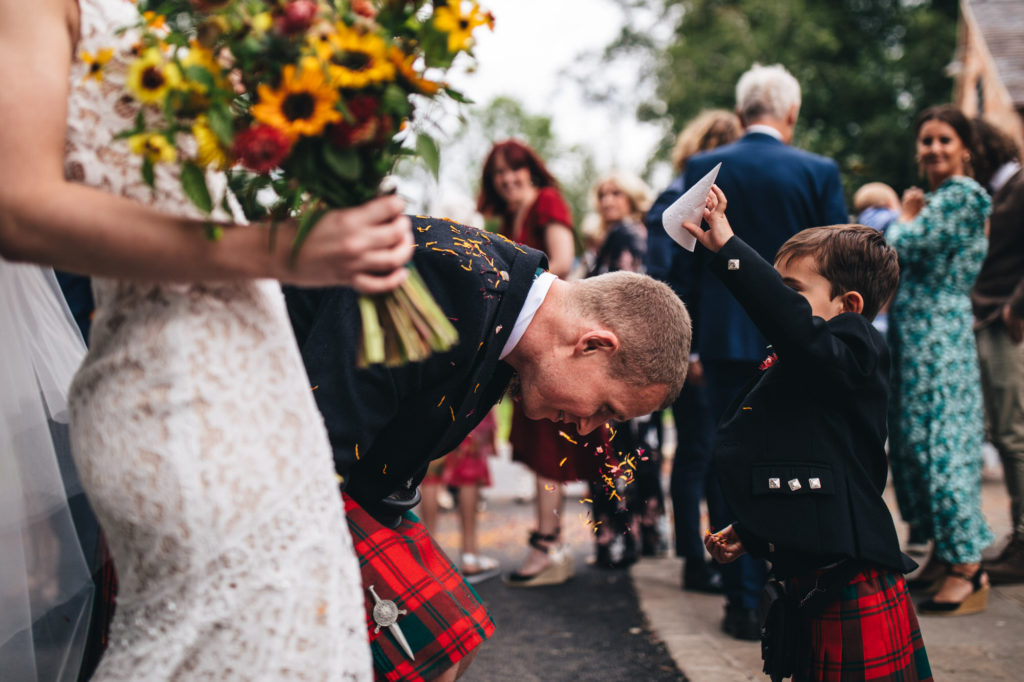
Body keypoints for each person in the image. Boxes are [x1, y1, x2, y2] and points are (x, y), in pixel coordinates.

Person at [0, 0, 415, 678]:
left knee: (298, 637)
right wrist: (275, 250)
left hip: (257, 367)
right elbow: (19, 208)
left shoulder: (163, 11)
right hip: (172, 383)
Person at [284, 217, 692, 681]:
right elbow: (316, 443)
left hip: (338, 482)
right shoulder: (438, 282)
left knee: (457, 641)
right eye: (603, 408)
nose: (585, 428)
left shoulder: (504, 313)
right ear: (593, 345)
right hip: (288, 475)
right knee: (431, 654)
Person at [684, 184, 932, 682]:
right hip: (810, 583)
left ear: (850, 305)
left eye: (792, 293)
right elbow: (806, 464)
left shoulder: (857, 349)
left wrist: (732, 252)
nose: (781, 304)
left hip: (852, 580)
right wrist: (755, 531)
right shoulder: (810, 364)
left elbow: (798, 333)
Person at [681, 64, 850, 640]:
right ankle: (790, 584)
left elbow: (685, 264)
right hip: (799, 339)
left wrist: (691, 343)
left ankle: (738, 597)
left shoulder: (702, 169)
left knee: (726, 459)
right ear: (791, 114)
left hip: (723, 342)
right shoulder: (817, 171)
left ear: (743, 108)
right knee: (792, 459)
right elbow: (838, 260)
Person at [886, 105, 993, 615]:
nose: (933, 149)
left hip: (942, 340)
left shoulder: (965, 197)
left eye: (944, 140)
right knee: (911, 448)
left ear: (965, 148)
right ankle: (938, 552)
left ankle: (968, 568)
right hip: (914, 338)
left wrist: (903, 220)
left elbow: (905, 245)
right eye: (926, 140)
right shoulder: (936, 199)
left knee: (942, 447)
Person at [477, 139, 597, 587]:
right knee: (539, 446)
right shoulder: (512, 217)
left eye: (514, 169)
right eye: (498, 173)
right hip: (528, 342)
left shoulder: (547, 202)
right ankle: (548, 540)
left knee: (550, 449)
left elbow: (563, 262)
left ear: (530, 169)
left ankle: (548, 545)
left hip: (551, 340)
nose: (507, 179)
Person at [646, 108, 742, 595]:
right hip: (695, 345)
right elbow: (677, 281)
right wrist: (692, 348)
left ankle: (696, 555)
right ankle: (698, 560)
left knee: (694, 453)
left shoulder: (672, 194)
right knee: (701, 453)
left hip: (689, 344)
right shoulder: (684, 200)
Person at [971, 116, 1024, 585]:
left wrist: (1016, 307)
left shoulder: (1021, 184)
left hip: (1007, 322)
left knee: (1013, 435)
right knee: (1007, 434)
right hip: (990, 317)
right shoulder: (999, 192)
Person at [419, 409, 502, 584]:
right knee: (469, 468)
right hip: (470, 399)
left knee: (431, 471)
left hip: (436, 398)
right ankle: (470, 555)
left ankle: (427, 557)